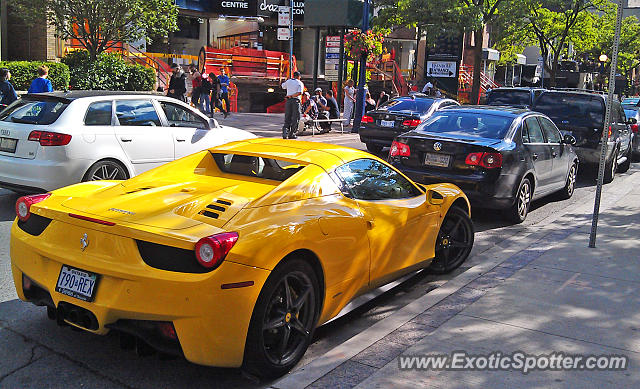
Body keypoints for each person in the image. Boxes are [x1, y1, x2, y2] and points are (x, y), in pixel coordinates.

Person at [281, 71, 304, 139]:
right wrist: (292, 96)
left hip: (288, 101)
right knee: (295, 118)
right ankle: (292, 134)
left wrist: (289, 96)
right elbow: (299, 92)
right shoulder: (299, 83)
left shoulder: (288, 81)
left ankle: (285, 131)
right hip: (296, 101)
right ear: (299, 76)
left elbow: (283, 86)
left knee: (287, 116)